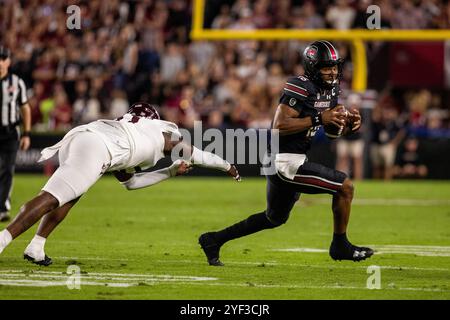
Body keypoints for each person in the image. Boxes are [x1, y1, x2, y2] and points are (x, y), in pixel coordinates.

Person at [199, 41, 374, 266]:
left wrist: (348, 126)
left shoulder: (331, 90)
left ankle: (213, 240)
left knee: (274, 218)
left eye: (334, 67)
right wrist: (320, 118)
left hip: (293, 160)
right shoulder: (300, 85)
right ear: (312, 67)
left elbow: (331, 133)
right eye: (326, 67)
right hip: (283, 163)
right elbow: (279, 126)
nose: (332, 72)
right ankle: (340, 245)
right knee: (345, 187)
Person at [0, 102, 240, 266]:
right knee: (52, 196)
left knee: (70, 194)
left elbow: (131, 183)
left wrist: (169, 171)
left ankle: (36, 246)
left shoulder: (127, 129)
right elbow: (197, 154)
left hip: (84, 136)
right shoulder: (160, 131)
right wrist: (227, 166)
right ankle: (4, 238)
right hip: (98, 146)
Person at [0, 46, 32, 222]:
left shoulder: (16, 82)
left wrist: (26, 133)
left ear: (9, 61)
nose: (0, 62)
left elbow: (25, 107)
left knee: (8, 169)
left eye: (3, 58)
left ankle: (2, 207)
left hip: (11, 132)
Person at [336, 93, 365, 180]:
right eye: (352, 104)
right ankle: (337, 179)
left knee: (357, 160)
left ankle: (358, 180)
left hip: (356, 140)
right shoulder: (344, 114)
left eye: (355, 104)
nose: (354, 106)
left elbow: (362, 128)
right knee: (342, 159)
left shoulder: (361, 114)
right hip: (344, 139)